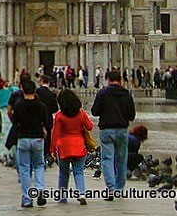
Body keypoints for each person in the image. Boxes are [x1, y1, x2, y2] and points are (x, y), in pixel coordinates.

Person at [91, 70, 136, 198]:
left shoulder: (102, 93)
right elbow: (132, 115)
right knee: (121, 160)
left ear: (108, 80)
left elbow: (95, 111)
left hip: (106, 129)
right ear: (120, 80)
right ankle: (119, 189)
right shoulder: (127, 94)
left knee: (107, 159)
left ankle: (110, 188)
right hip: (122, 129)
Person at [50, 89, 93, 205]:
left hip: (63, 147)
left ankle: (62, 197)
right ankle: (81, 193)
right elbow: (90, 126)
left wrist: (52, 149)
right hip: (79, 145)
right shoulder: (81, 114)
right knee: (78, 171)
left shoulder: (60, 116)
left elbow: (56, 134)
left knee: (63, 173)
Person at [12, 80, 50, 208]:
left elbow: (15, 121)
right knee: (39, 165)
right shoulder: (41, 105)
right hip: (38, 137)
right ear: (35, 91)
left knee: (24, 169)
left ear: (23, 91)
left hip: (23, 138)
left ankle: (27, 198)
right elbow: (47, 122)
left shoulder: (18, 105)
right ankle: (39, 188)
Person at [36, 75, 59, 157]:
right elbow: (55, 108)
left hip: (37, 118)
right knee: (48, 137)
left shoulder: (37, 92)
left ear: (42, 81)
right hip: (48, 118)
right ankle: (46, 154)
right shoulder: (52, 94)